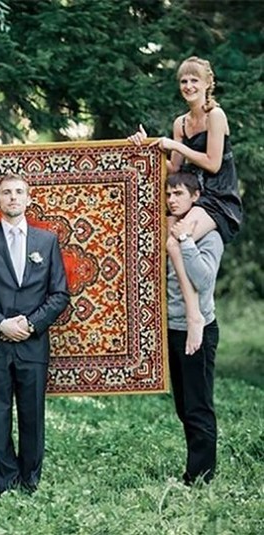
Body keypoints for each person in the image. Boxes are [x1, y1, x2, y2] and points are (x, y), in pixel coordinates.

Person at [128, 56, 242, 356]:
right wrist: (145, 146)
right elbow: (174, 168)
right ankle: (171, 316)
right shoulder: (180, 123)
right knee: (164, 240)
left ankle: (195, 316)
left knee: (177, 240)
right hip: (193, 196)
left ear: (207, 83)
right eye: (183, 81)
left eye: (194, 80)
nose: (189, 86)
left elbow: (213, 164)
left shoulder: (216, 116)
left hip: (218, 197)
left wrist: (176, 145)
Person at [0, 175, 70, 496]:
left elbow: (60, 294)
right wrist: (1, 324)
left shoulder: (46, 241)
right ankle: (5, 482)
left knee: (32, 413)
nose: (13, 197)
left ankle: (30, 480)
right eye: (7, 192)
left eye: (19, 192)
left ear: (28, 198)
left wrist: (31, 324)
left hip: (33, 343)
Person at [164, 171, 223, 485]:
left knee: (198, 404)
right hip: (172, 328)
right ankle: (196, 468)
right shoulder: (166, 229)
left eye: (179, 194)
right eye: (168, 194)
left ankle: (200, 477)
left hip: (198, 328)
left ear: (195, 196)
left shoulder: (209, 235)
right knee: (184, 406)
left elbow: (203, 280)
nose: (172, 200)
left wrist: (186, 241)